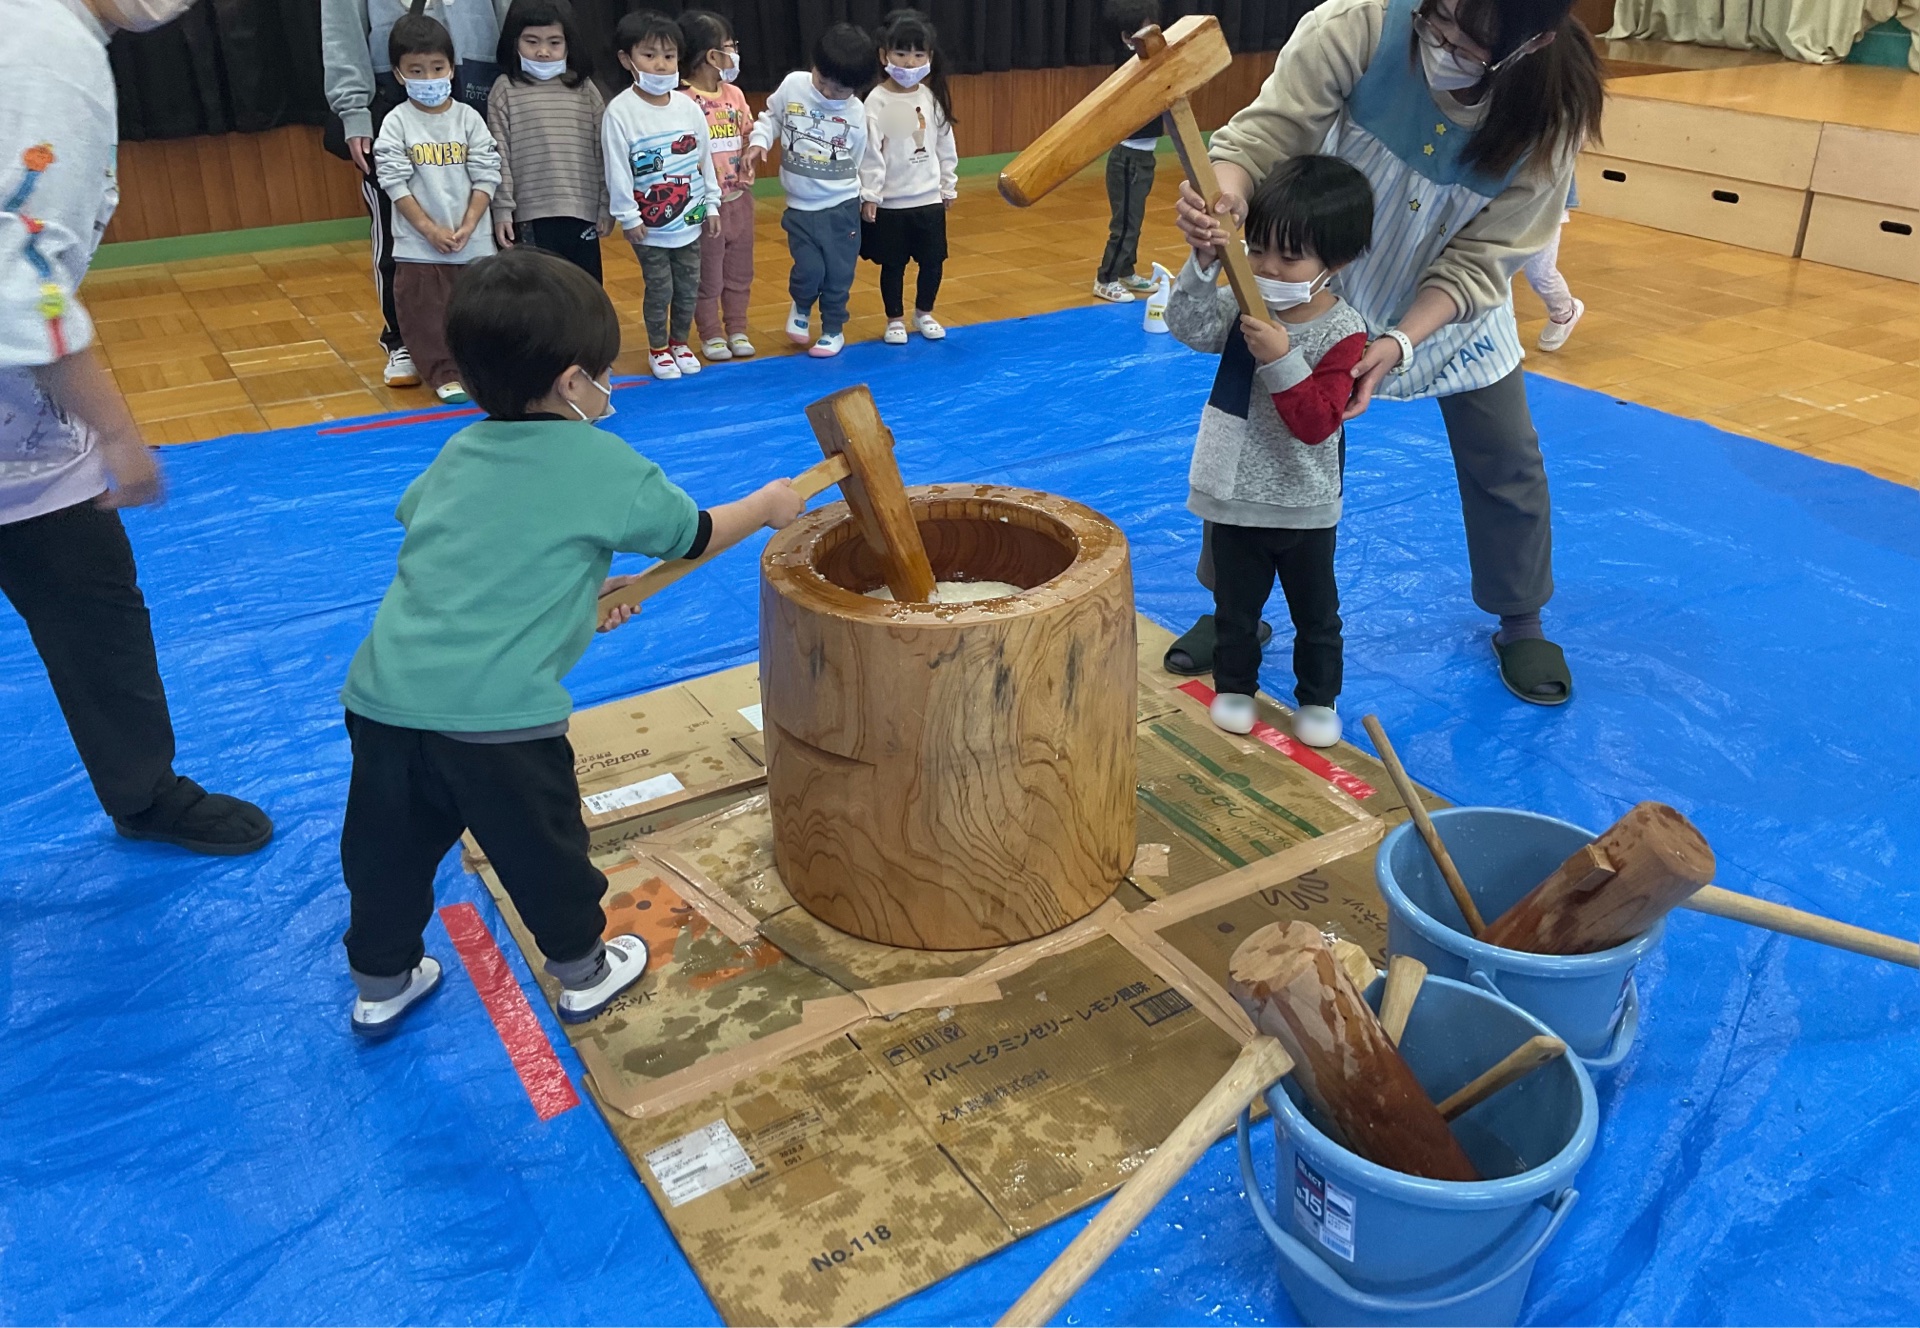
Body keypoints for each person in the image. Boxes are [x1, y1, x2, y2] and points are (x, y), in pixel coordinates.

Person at [336, 248, 805, 1038]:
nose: (607, 385)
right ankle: (584, 973)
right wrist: (765, 504)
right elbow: (691, 536)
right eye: (601, 372)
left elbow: (452, 544)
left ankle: (380, 981)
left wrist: (575, 593)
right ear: (569, 384)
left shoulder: (458, 450)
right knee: (541, 850)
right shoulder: (600, 459)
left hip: (383, 699)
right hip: (499, 725)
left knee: (387, 852)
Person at [1170, 0, 1603, 706]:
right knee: (1265, 430)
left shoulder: (1550, 119)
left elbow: (1482, 261)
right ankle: (1232, 610)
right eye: (1435, 23)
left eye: (1467, 43)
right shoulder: (1362, 24)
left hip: (1446, 308)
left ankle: (1520, 618)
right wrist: (1226, 196)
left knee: (1505, 453)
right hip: (1319, 270)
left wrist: (1401, 339)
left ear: (1532, 43)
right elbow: (1265, 135)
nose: (1441, 44)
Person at [0, 0, 272, 855]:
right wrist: (117, 430)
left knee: (98, 619)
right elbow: (18, 275)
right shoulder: (41, 46)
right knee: (97, 616)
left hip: (29, 437)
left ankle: (144, 791)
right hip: (33, 403)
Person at [1166, 158, 1373, 747]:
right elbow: (1189, 328)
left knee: (1317, 617)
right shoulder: (1244, 302)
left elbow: (1316, 425)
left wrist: (1282, 356)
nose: (1267, 267)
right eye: (1258, 250)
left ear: (1335, 263)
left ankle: (1317, 700)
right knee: (1234, 608)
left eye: (1290, 257)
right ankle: (1234, 688)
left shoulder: (1345, 331)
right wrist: (1205, 266)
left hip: (1304, 505)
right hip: (1233, 495)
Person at [324, 0, 509, 390]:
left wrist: (519, 78)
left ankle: (488, 346)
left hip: (479, 79)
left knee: (488, 229)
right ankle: (402, 340)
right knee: (399, 239)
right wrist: (354, 108)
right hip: (390, 89)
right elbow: (341, 30)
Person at [374, 4, 501, 404]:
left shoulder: (469, 119)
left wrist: (469, 223)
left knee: (479, 310)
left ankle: (481, 370)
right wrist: (429, 229)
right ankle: (442, 371)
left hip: (473, 240)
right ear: (399, 74)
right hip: (419, 246)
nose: (428, 78)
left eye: (437, 68)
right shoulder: (396, 121)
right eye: (416, 70)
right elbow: (393, 180)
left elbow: (487, 173)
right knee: (425, 311)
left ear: (452, 68)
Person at [743, 24, 876, 359]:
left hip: (841, 207)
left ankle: (833, 329)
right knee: (808, 269)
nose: (828, 93)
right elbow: (771, 117)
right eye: (822, 82)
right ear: (813, 67)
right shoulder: (793, 86)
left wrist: (869, 194)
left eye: (840, 90)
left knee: (838, 275)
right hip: (800, 208)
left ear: (856, 88)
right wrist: (760, 142)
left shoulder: (858, 115)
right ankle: (801, 305)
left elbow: (864, 158)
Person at [603, 10, 721, 382]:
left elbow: (705, 159)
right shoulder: (621, 112)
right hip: (650, 226)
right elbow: (617, 169)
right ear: (627, 59)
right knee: (661, 287)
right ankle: (658, 348)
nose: (660, 64)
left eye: (668, 56)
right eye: (649, 55)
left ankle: (679, 342)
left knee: (688, 286)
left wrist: (712, 203)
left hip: (691, 218)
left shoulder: (688, 107)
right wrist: (629, 216)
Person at [487, 0, 611, 283]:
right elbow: (499, 155)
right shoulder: (504, 90)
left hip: (582, 214)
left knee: (585, 291)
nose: (543, 51)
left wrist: (605, 204)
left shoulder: (585, 89)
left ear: (569, 44)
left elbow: (602, 151)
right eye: (532, 41)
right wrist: (502, 210)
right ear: (514, 41)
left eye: (554, 42)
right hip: (529, 216)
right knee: (539, 294)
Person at [859, 8, 959, 346]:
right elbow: (871, 153)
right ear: (884, 55)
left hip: (928, 198)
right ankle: (895, 319)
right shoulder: (876, 101)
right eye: (901, 53)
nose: (908, 62)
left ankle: (924, 312)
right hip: (891, 203)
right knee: (894, 265)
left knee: (933, 261)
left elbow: (944, 143)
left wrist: (948, 184)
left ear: (929, 57)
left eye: (918, 54)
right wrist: (870, 195)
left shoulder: (929, 97)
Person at [679, 9, 757, 363]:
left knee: (740, 273)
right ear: (713, 55)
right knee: (708, 276)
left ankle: (737, 328)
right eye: (730, 46)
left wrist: (756, 144)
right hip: (705, 207)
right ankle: (710, 333)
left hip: (740, 200)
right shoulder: (682, 100)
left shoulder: (735, 95)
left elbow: (747, 131)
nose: (735, 52)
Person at [1092, 0, 1164, 304]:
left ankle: (1125, 269)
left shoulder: (1150, 64)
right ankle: (1105, 278)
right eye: (1143, 30)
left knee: (1135, 220)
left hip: (1144, 156)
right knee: (1123, 223)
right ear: (1126, 38)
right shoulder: (1127, 69)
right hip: (1127, 158)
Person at [1523, 177, 1582, 351]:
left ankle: (1564, 313)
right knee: (1500, 271)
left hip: (1548, 203)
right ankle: (1504, 334)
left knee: (1540, 273)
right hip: (1505, 200)